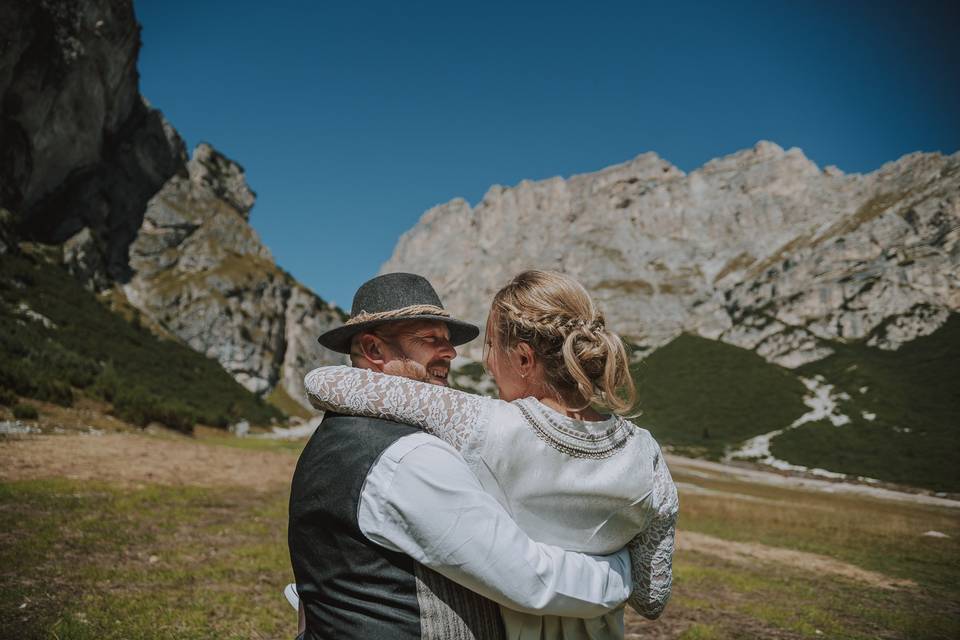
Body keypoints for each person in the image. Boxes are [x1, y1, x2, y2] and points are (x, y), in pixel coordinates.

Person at [305, 270, 679, 640]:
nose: (483, 362)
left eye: (492, 349)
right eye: (431, 339)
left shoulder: (484, 426)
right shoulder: (647, 457)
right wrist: (620, 571)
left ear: (523, 359)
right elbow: (652, 599)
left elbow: (327, 382)